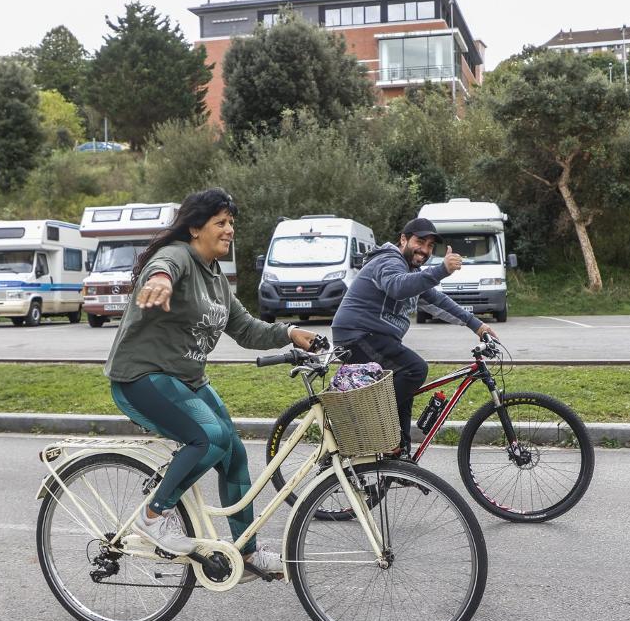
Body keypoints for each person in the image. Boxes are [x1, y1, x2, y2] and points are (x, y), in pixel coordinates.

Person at [104, 188, 318, 580]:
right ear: (195, 227)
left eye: (231, 222)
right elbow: (163, 265)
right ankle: (154, 516)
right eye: (221, 222)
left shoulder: (217, 279)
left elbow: (246, 329)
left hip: (185, 380)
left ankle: (246, 553)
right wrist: (161, 280)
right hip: (142, 377)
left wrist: (290, 333)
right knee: (209, 437)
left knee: (233, 453)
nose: (229, 229)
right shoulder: (179, 257)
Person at [331, 217, 495, 453]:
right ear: (404, 240)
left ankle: (399, 455)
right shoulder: (388, 261)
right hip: (357, 335)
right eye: (420, 242)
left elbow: (437, 301)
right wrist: (441, 270)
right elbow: (397, 287)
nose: (425, 250)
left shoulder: (412, 272)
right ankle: (365, 424)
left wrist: (477, 326)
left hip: (374, 337)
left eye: (430, 246)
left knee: (405, 391)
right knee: (415, 370)